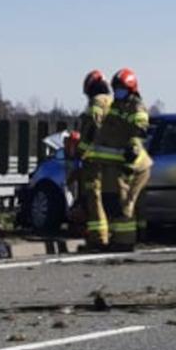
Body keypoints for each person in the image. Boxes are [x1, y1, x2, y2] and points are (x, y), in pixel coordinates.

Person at [91, 68, 153, 252]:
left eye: (121, 88)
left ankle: (124, 243)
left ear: (131, 88)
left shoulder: (136, 106)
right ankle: (121, 239)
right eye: (116, 88)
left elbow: (139, 132)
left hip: (133, 165)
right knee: (114, 202)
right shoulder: (117, 106)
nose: (118, 91)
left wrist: (129, 160)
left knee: (125, 204)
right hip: (117, 165)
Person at [69, 70, 112, 251]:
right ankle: (112, 235)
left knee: (94, 198)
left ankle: (98, 238)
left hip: (96, 159)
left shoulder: (97, 103)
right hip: (114, 159)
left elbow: (90, 131)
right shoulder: (114, 102)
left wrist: (80, 152)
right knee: (111, 198)